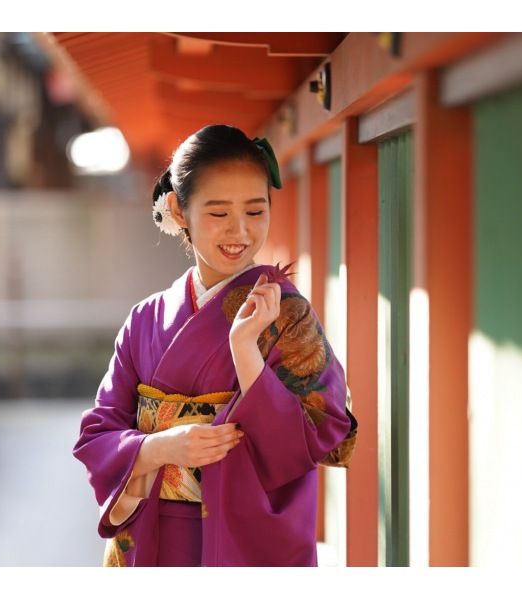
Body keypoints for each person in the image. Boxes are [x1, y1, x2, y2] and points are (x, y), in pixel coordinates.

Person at [73, 124, 357, 567]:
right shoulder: (144, 320)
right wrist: (162, 448)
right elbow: (97, 434)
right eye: (219, 212)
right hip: (155, 536)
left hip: (242, 538)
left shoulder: (288, 315)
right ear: (179, 210)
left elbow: (324, 434)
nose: (240, 231)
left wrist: (247, 355)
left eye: (256, 211)